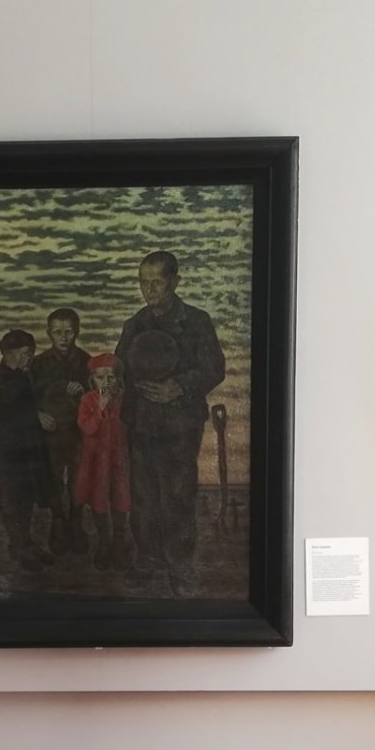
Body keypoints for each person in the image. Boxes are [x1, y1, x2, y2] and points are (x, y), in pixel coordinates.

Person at [114, 250, 225, 591]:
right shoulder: (135, 324)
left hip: (179, 425)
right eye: (143, 282)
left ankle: (180, 565)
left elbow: (213, 368)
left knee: (178, 493)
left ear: (175, 281)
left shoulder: (196, 321)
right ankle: (148, 558)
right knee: (143, 494)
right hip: (141, 422)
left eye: (157, 282)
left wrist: (177, 386)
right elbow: (119, 368)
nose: (150, 290)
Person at [0, 328, 55, 569]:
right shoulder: (2, 378)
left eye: (31, 354)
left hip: (26, 449)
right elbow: (11, 409)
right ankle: (18, 547)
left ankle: (26, 543)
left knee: (25, 499)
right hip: (9, 451)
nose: (29, 358)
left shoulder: (22, 375)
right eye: (25, 353)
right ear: (9, 354)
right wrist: (37, 417)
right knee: (12, 500)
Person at [30, 308, 91, 556]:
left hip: (78, 435)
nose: (63, 338)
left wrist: (83, 392)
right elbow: (28, 398)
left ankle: (76, 523)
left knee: (78, 480)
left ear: (76, 332)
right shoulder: (39, 364)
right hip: (51, 435)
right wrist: (38, 415)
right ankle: (58, 523)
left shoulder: (86, 362)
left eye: (68, 332)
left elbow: (96, 395)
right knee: (53, 480)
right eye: (58, 332)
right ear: (49, 334)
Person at [75, 354, 133, 570]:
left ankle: (118, 541)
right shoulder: (88, 400)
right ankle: (104, 542)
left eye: (111, 377)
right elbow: (87, 427)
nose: (106, 382)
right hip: (96, 461)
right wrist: (100, 408)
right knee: (99, 499)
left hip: (119, 460)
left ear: (118, 379)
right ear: (92, 379)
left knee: (121, 498)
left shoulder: (125, 400)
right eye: (101, 377)